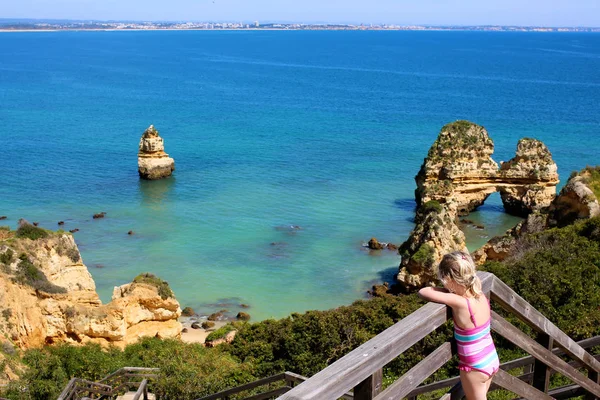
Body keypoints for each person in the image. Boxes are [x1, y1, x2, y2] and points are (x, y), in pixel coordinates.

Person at [418, 251, 499, 400]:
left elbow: (423, 291)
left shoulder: (460, 302)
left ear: (448, 279)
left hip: (475, 366)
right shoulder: (478, 292)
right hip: (490, 357)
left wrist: (449, 292)